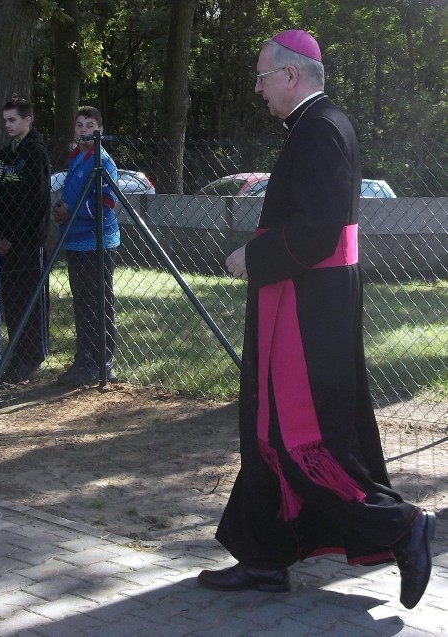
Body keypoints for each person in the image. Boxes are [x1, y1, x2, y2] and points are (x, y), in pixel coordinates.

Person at [199, 30, 434, 610]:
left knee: (299, 436)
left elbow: (319, 229)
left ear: (291, 76)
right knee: (267, 428)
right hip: (301, 299)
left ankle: (401, 526)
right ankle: (264, 560)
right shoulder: (316, 125)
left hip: (307, 308)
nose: (257, 88)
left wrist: (252, 257)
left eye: (261, 77)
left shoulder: (321, 129)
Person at [52, 106, 119, 386]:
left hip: (97, 241)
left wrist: (72, 211)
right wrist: (61, 209)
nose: (83, 130)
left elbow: (106, 203)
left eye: (89, 125)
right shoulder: (77, 157)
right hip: (76, 241)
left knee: (98, 302)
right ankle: (85, 358)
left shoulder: (103, 161)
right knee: (81, 303)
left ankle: (103, 361)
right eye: (79, 125)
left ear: (100, 130)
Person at [0, 97, 51, 383]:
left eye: (13, 120)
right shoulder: (5, 155)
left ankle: (33, 354)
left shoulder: (35, 153)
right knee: (12, 299)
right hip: (5, 243)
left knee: (31, 297)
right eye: (5, 120)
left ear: (28, 119)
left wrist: (14, 236)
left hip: (27, 241)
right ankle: (17, 351)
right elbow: (0, 197)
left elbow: (34, 201)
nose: (8, 125)